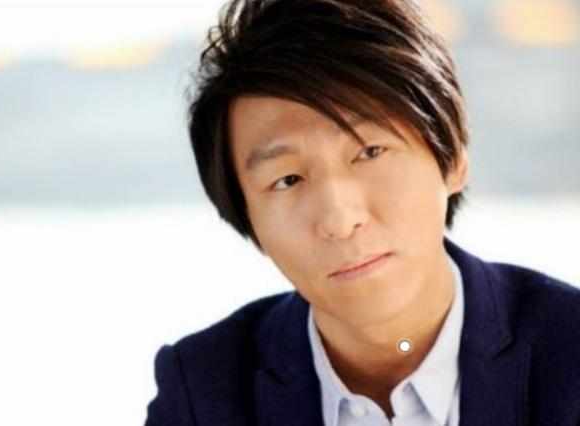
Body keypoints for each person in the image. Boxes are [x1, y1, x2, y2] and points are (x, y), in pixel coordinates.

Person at [144, 0, 580, 425]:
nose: (339, 220)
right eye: (288, 180)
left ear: (452, 158)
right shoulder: (202, 392)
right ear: (247, 218)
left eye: (370, 152)